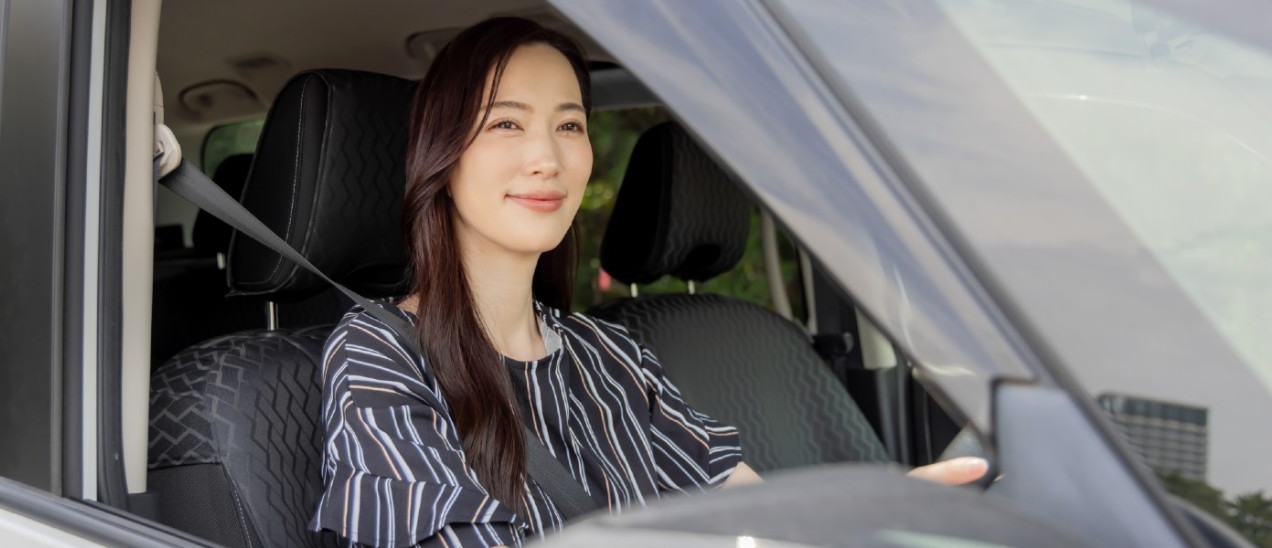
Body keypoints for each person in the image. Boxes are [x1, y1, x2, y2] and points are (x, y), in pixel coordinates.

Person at [310, 17, 986, 548]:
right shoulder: (379, 353)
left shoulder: (610, 355)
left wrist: (878, 515)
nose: (546, 157)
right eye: (506, 123)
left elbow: (743, 503)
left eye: (568, 124)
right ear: (442, 156)